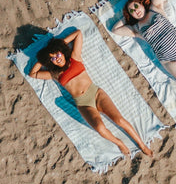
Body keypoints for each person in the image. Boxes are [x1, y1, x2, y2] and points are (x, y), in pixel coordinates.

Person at [29, 29, 153, 157]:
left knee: (119, 120)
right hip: (83, 103)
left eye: (58, 54)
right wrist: (44, 59)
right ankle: (119, 143)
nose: (57, 58)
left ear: (62, 51)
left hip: (96, 93)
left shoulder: (74, 57)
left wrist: (58, 45)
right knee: (100, 128)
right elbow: (33, 74)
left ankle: (142, 145)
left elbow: (78, 33)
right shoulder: (54, 73)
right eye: (53, 58)